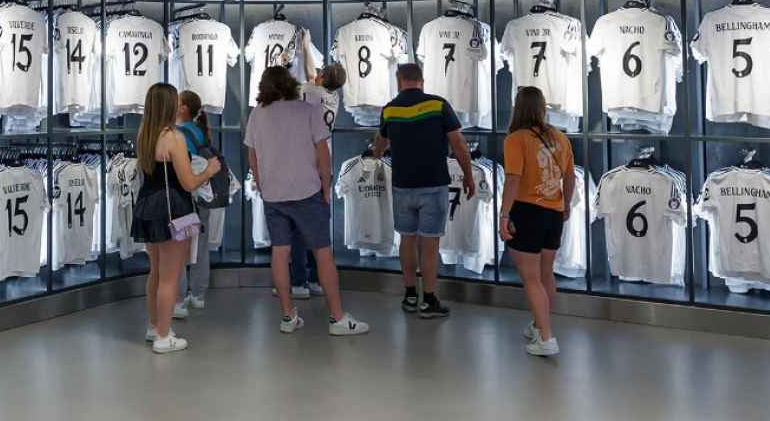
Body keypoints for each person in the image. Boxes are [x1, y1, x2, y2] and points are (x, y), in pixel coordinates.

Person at [245, 66, 369, 336]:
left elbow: (252, 156)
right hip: (306, 191)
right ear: (290, 83)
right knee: (323, 254)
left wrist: (262, 184)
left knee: (280, 252)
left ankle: (288, 316)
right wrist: (325, 187)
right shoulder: (308, 110)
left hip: (274, 194)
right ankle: (337, 318)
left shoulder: (257, 114)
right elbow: (323, 154)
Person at [374, 63, 475, 319]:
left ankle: (409, 295)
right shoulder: (438, 105)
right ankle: (429, 301)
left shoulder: (390, 109)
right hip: (433, 184)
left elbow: (379, 143)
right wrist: (468, 176)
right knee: (430, 244)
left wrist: (377, 155)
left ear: (400, 80)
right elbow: (459, 145)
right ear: (422, 79)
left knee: (407, 239)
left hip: (402, 185)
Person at [131, 83, 221, 354]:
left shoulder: (144, 135)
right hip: (172, 210)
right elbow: (189, 181)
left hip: (147, 207)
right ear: (171, 106)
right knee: (170, 277)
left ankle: (154, 325)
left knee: (156, 273)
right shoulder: (174, 138)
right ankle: (163, 336)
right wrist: (210, 170)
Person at [499, 86, 575, 357]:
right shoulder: (560, 138)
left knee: (531, 278)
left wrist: (504, 214)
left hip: (526, 211)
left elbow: (513, 178)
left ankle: (546, 338)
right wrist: (566, 204)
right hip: (553, 212)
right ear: (542, 107)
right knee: (546, 274)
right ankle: (539, 324)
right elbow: (569, 176)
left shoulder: (515, 139)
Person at [284, 63, 348, 298]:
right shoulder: (333, 97)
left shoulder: (309, 91)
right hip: (324, 163)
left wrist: (284, 64)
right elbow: (313, 81)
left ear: (321, 77)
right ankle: (315, 279)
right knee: (317, 225)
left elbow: (291, 87)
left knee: (298, 227)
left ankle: (298, 282)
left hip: (304, 162)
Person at [174, 90, 215, 319]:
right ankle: (198, 294)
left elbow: (183, 169)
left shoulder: (179, 135)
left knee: (180, 246)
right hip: (203, 197)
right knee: (201, 246)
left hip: (186, 197)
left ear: (184, 108)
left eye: (177, 102)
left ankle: (178, 298)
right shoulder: (199, 132)